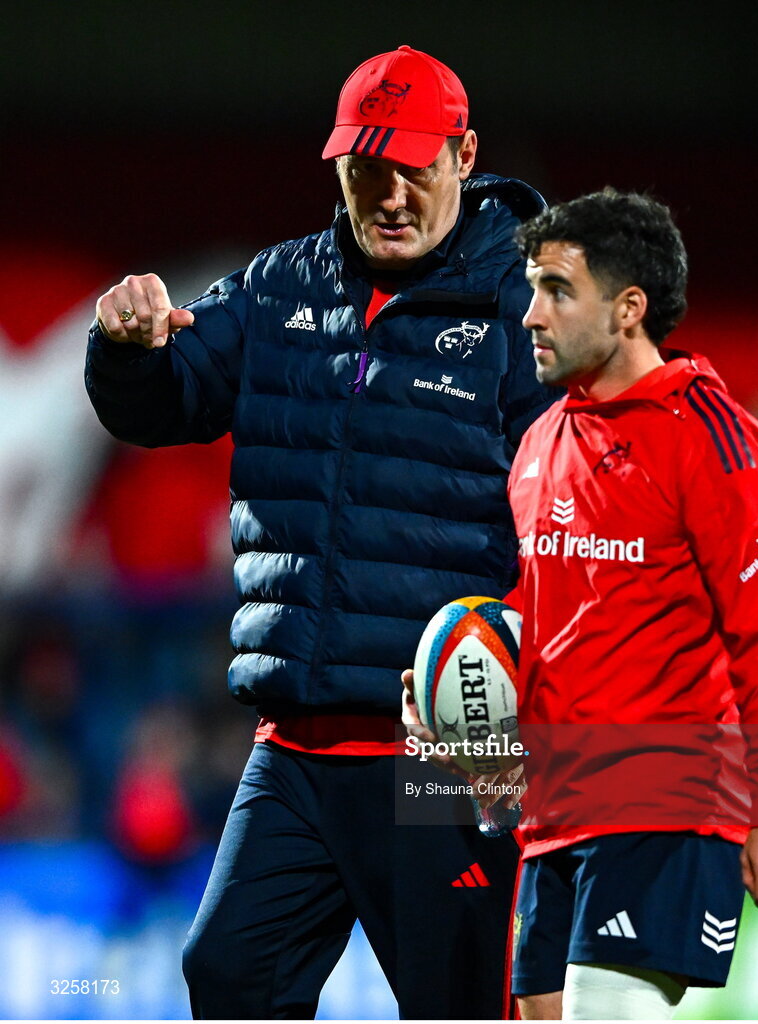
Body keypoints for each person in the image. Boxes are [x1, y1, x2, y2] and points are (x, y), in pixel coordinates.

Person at [84, 45, 555, 1020]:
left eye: (412, 167)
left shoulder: (525, 305)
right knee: (228, 976)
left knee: (464, 1002)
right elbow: (160, 401)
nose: (386, 194)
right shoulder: (275, 287)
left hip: (442, 755)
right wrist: (125, 351)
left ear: (463, 157)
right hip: (294, 745)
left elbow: (571, 501)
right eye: (362, 169)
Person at [504, 189, 758, 1020]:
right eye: (531, 286)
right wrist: (458, 688)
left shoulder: (716, 439)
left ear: (628, 308)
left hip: (668, 802)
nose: (531, 314)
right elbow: (536, 620)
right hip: (553, 816)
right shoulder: (540, 444)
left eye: (557, 290)